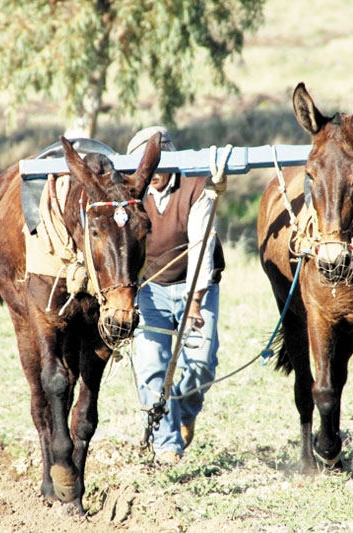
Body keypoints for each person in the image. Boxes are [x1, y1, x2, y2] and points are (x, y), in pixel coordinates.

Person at [127, 126, 225, 465]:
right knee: (153, 367)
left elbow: (201, 246)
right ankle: (167, 444)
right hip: (150, 290)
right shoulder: (131, 193)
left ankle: (182, 410)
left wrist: (195, 302)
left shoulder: (196, 188)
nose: (150, 174)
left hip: (195, 287)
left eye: (156, 165)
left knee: (201, 364)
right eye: (144, 168)